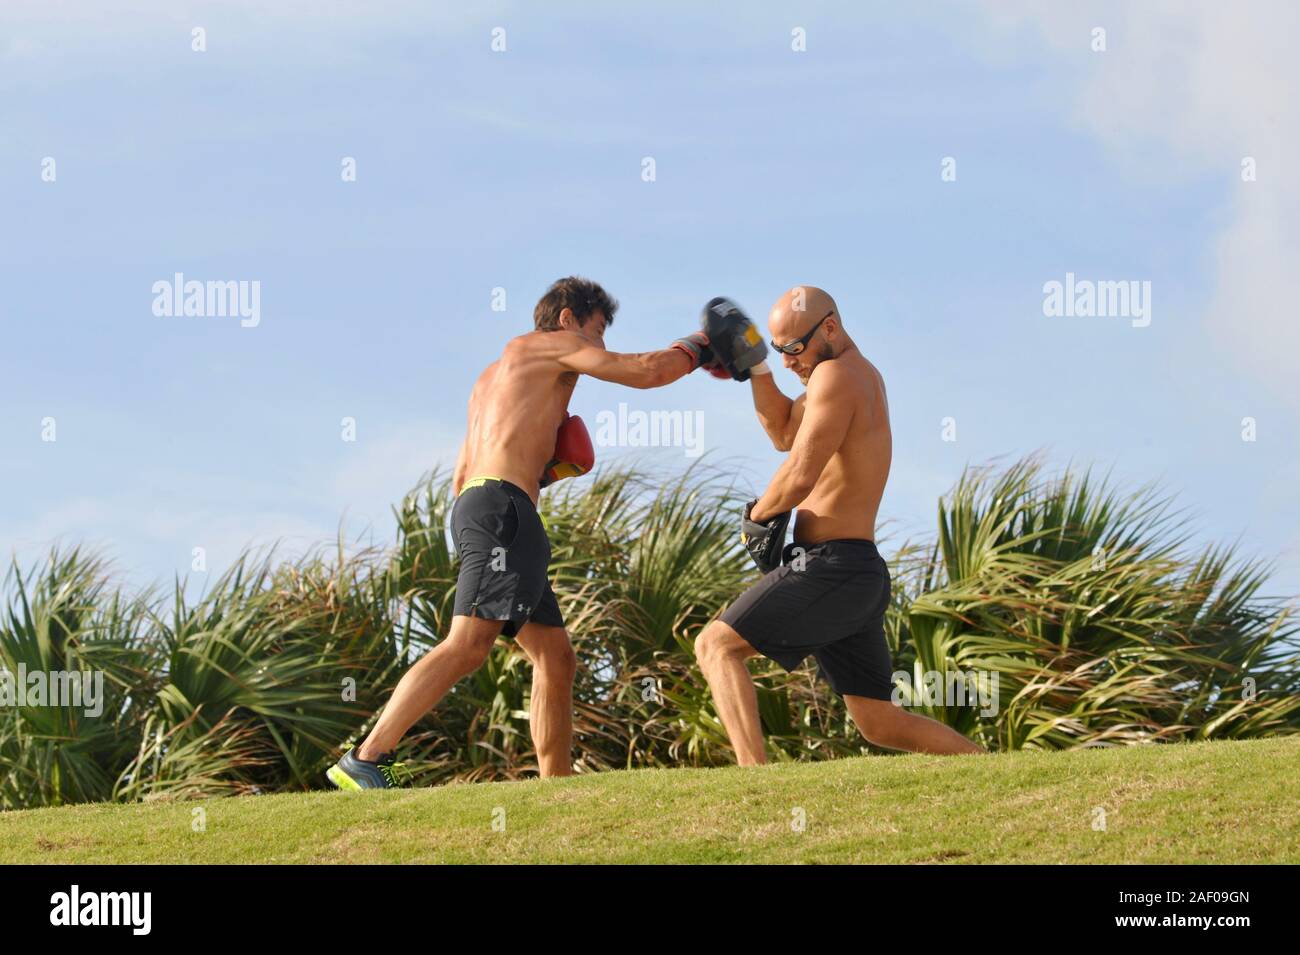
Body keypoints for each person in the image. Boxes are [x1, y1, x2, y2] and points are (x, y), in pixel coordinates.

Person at [328, 276, 716, 788]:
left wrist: (544, 473)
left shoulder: (494, 376)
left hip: (484, 505)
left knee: (556, 656)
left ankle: (556, 787)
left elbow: (464, 475)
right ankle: (369, 756)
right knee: (468, 644)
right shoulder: (555, 347)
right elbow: (647, 372)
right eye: (596, 331)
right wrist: (701, 343)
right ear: (567, 320)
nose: (598, 346)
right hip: (504, 511)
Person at [694, 286, 985, 764]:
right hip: (855, 572)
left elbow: (801, 472)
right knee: (880, 722)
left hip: (834, 567)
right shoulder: (841, 378)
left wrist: (759, 515)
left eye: (792, 348)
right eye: (778, 349)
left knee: (716, 646)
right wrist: (756, 368)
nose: (789, 361)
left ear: (829, 327)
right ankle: (994, 770)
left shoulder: (837, 375)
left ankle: (754, 783)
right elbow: (784, 435)